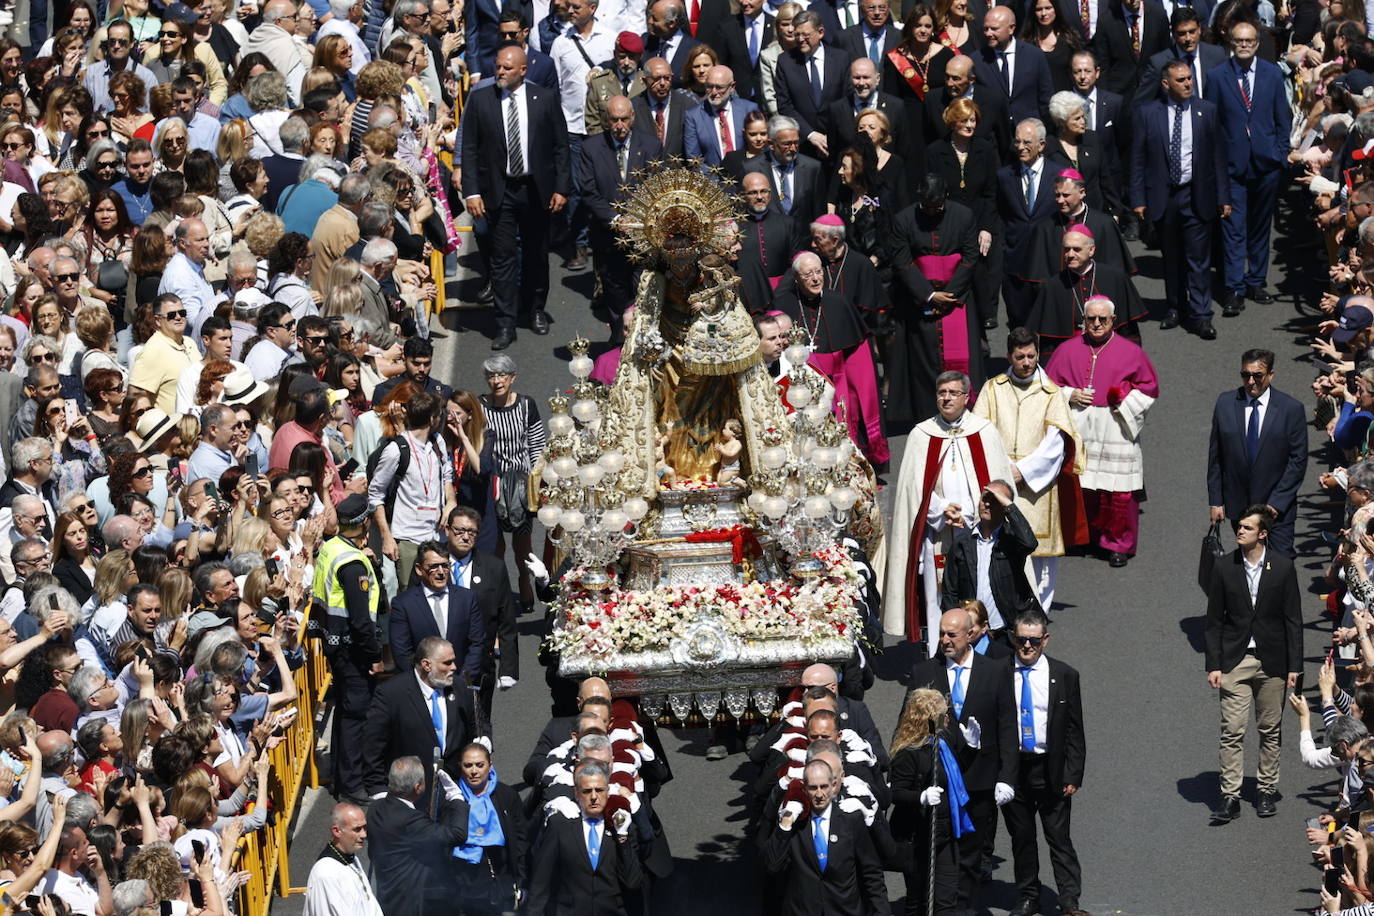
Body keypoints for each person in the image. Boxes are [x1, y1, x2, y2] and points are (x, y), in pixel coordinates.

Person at [883, 370, 1014, 650]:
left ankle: (981, 650)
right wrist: (942, 509)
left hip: (977, 529)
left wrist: (967, 513)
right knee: (938, 594)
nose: (946, 398)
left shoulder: (984, 431)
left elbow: (998, 483)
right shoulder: (921, 434)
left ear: (967, 397)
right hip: (938, 532)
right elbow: (913, 489)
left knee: (978, 590)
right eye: (942, 393)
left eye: (953, 393)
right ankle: (939, 653)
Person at [906, 608, 1017, 913]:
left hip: (978, 781)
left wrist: (1007, 777)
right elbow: (907, 727)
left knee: (970, 856)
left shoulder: (996, 671)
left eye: (951, 634)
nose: (944, 640)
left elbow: (1008, 727)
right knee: (935, 853)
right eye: (941, 633)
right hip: (937, 781)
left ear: (971, 635)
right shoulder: (924, 673)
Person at [461, 44, 571, 351]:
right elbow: (469, 148)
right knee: (503, 258)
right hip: (500, 190)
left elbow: (560, 147)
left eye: (507, 68)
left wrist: (562, 188)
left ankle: (535, 309)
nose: (499, 72)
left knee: (537, 253)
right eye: (497, 66)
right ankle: (505, 322)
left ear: (523, 70)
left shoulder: (545, 100)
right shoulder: (482, 100)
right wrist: (472, 191)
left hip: (536, 189)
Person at [972, 328, 1085, 610]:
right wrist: (1001, 469)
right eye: (1020, 356)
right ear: (1009, 356)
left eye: (1031, 356)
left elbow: (1055, 443)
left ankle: (1037, 610)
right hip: (999, 480)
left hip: (1037, 486)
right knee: (998, 546)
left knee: (1039, 553)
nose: (1026, 362)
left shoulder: (1051, 393)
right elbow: (979, 433)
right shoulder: (992, 388)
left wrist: (1022, 471)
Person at [1044, 296, 1159, 568]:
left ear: (1113, 322)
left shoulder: (1132, 352)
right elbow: (1046, 387)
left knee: (1118, 493)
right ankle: (1079, 538)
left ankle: (1117, 544)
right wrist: (1070, 393)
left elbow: (1149, 388)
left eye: (1102, 319)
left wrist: (1122, 398)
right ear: (1083, 321)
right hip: (1078, 425)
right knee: (1080, 487)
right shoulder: (1066, 350)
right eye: (1091, 319)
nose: (1096, 324)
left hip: (1115, 424)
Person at [1205, 505, 1302, 822]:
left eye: (1247, 527)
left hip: (1273, 661)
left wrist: (1295, 667)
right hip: (1235, 660)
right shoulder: (1223, 567)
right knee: (1231, 730)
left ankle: (1265, 790)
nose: (1239, 531)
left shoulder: (1284, 568)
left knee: (1269, 730)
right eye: (1239, 526)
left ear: (1263, 533)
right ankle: (1230, 796)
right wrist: (1214, 664)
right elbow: (1214, 620)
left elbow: (1293, 620)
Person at [1131, 58, 1230, 337]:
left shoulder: (1206, 111)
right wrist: (1138, 198)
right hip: (1163, 196)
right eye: (1181, 80)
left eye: (1189, 78)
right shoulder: (1148, 113)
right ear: (1166, 84)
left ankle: (1201, 315)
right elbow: (1138, 159)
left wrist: (1224, 196)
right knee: (1171, 257)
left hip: (1196, 193)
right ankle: (1175, 306)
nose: (1188, 83)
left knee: (1198, 259)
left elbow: (1218, 158)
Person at [1001, 609, 1088, 916]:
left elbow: (1074, 730)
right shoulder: (998, 672)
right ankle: (1028, 896)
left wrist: (1073, 774)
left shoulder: (1065, 675)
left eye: (1033, 641)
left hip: (1050, 768)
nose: (1026, 646)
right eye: (1021, 640)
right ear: (1013, 638)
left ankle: (1069, 901)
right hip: (1014, 769)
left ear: (1045, 640)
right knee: (1022, 838)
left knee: (1058, 837)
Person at [1203, 21, 1288, 313]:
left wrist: (1281, 153)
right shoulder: (1216, 77)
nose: (1243, 45)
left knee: (1261, 227)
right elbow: (1211, 123)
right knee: (1233, 228)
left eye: (1249, 40)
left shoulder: (1273, 74)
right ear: (1230, 42)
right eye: (1239, 40)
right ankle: (1234, 288)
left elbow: (1282, 118)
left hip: (1266, 163)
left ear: (1256, 43)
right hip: (1231, 165)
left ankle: (1256, 281)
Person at [313, 493, 385, 803]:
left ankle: (344, 778)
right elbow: (360, 620)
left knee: (345, 713)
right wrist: (375, 656)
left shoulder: (332, 548)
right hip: (353, 650)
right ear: (365, 522)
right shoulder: (353, 564)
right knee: (356, 718)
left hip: (334, 645)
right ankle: (352, 785)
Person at [1206, 348, 1308, 558]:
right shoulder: (1225, 403)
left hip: (1276, 508)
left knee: (1280, 562)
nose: (1251, 381)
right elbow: (1216, 456)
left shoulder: (1290, 409)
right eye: (1245, 375)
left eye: (1257, 375)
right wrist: (1216, 500)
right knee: (1249, 562)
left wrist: (1276, 503)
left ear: (1271, 375)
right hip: (1239, 504)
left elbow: (1298, 460)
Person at [761, 757, 892, 915]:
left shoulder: (851, 820)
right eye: (813, 788)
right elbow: (771, 865)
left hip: (844, 910)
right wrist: (785, 824)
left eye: (824, 786)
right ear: (804, 788)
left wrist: (882, 912)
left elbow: (871, 872)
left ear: (833, 785)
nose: (819, 794)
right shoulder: (795, 823)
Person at [582, 95, 661, 345]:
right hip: (608, 237)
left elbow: (656, 187)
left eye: (624, 119)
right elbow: (588, 191)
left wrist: (636, 219)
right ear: (607, 120)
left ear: (632, 118)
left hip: (641, 236)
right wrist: (615, 219)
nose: (619, 125)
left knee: (643, 292)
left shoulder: (650, 145)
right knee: (615, 295)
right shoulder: (591, 148)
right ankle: (618, 344)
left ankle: (645, 344)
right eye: (614, 119)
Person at [361, 636, 475, 810]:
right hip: (410, 799)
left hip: (454, 793)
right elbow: (372, 748)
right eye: (447, 663)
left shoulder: (459, 687)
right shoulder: (391, 694)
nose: (454, 667)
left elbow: (473, 729)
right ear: (426, 665)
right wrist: (380, 794)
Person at [526, 762, 642, 915]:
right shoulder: (560, 825)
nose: (594, 797)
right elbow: (541, 880)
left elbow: (632, 881)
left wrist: (622, 836)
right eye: (587, 791)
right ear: (576, 793)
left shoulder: (620, 826)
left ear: (608, 791)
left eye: (599, 790)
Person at [889, 688, 966, 916]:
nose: (948, 717)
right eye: (943, 713)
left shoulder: (944, 741)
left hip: (945, 834)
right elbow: (895, 792)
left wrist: (971, 746)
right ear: (930, 719)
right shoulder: (907, 753)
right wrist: (919, 797)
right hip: (918, 837)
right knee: (919, 900)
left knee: (946, 900)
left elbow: (956, 772)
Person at [364, 756, 471, 916]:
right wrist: (456, 798)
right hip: (409, 903)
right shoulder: (411, 820)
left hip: (385, 893)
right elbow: (457, 834)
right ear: (418, 787)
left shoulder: (376, 808)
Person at [444, 506, 519, 727]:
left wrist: (509, 668)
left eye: (472, 532)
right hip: (439, 661)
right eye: (459, 531)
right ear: (447, 529)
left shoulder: (493, 568)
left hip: (477, 663)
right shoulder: (432, 561)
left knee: (477, 723)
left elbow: (506, 619)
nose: (465, 536)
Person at [939, 480, 1043, 629]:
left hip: (1006, 629)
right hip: (971, 631)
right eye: (985, 498)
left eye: (995, 500)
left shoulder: (1012, 541)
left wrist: (1009, 506)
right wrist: (953, 626)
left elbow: (1030, 543)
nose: (987, 504)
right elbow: (950, 591)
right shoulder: (962, 543)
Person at [451, 742, 527, 915]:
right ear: (460, 767)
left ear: (490, 765)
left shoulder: (507, 795)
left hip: (501, 881)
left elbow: (521, 840)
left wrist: (521, 880)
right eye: (468, 765)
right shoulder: (452, 796)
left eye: (480, 765)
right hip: (464, 884)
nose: (474, 771)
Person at [388, 542, 484, 678]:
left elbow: (476, 643)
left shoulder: (467, 598)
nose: (441, 572)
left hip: (460, 682)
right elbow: (402, 652)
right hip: (423, 684)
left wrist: (463, 680)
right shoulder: (403, 604)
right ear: (419, 569)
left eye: (445, 566)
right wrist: (423, 681)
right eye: (433, 567)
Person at [773, 11, 847, 160]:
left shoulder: (841, 58)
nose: (800, 39)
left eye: (805, 35)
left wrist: (830, 137)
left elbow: (846, 99)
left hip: (837, 142)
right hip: (803, 145)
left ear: (820, 32)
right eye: (797, 34)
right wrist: (811, 135)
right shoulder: (785, 61)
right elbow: (784, 105)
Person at [972, 5, 1054, 126]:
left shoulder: (1034, 55)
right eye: (986, 29)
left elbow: (1045, 96)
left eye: (994, 29)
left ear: (1011, 29)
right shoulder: (977, 60)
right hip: (993, 133)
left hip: (1030, 131)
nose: (988, 33)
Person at [302, 803, 383, 916]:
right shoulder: (326, 874)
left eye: (364, 827)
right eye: (357, 829)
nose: (364, 834)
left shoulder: (351, 857)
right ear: (337, 831)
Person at [683, 65, 761, 167]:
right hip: (710, 179)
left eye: (719, 87)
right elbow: (694, 159)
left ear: (732, 87)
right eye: (710, 87)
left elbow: (760, 150)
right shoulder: (693, 116)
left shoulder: (749, 110)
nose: (714, 92)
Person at [631, 57, 698, 159]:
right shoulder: (633, 107)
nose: (662, 83)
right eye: (657, 79)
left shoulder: (687, 106)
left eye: (667, 78)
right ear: (645, 81)